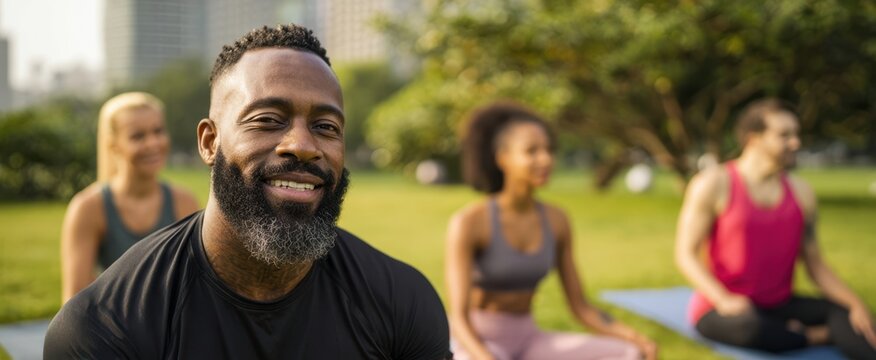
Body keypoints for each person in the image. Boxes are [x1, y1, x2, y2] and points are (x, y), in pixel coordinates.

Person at [44, 24, 451, 359]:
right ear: (209, 142)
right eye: (268, 119)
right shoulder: (104, 327)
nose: (303, 145)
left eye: (327, 127)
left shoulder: (401, 303)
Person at [446, 102, 657, 360]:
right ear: (502, 158)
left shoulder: (557, 220)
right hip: (475, 341)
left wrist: (635, 338)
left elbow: (580, 306)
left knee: (630, 354)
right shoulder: (470, 222)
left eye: (548, 150)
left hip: (529, 339)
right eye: (532, 151)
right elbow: (459, 317)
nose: (545, 159)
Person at [675, 98, 876, 359]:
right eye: (784, 135)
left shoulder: (802, 194)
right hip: (726, 307)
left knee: (849, 316)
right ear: (753, 138)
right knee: (751, 328)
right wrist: (723, 299)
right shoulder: (713, 183)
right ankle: (816, 335)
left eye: (796, 134)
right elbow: (685, 254)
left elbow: (816, 265)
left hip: (780, 303)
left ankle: (803, 334)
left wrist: (854, 304)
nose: (796, 143)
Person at [60, 92, 199, 303]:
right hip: (112, 331)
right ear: (113, 145)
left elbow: (195, 288)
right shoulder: (88, 207)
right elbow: (74, 300)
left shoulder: (185, 202)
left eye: (158, 131)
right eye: (137, 136)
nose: (153, 143)